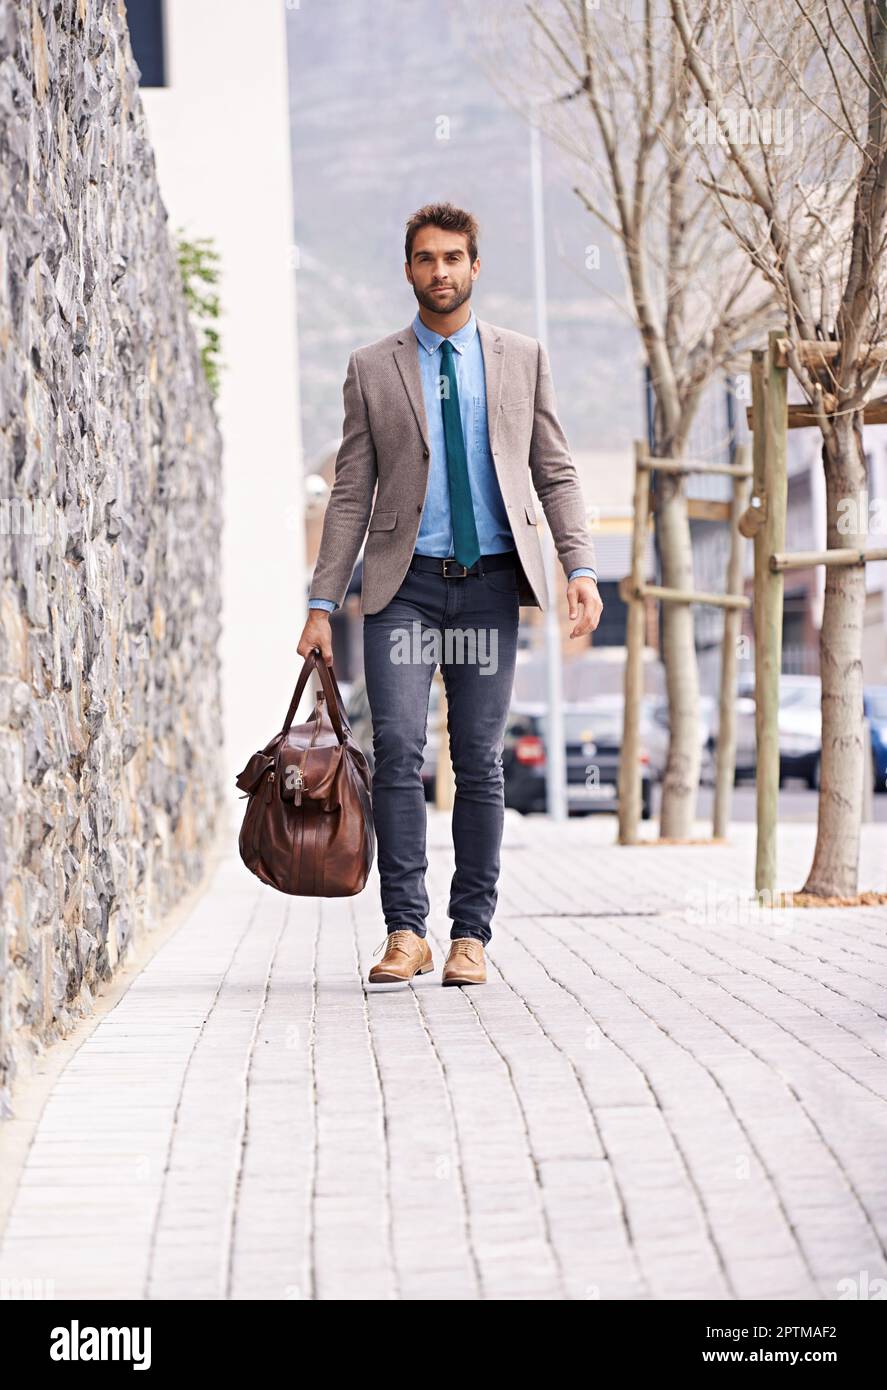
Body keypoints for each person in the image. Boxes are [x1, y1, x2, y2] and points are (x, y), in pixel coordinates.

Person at [297, 202, 602, 987]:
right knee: (398, 750)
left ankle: (471, 936)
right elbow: (349, 493)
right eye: (426, 258)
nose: (441, 271)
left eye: (454, 258)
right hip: (403, 588)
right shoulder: (373, 367)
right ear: (408, 269)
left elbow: (554, 469)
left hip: (491, 584)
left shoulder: (520, 358)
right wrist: (321, 603)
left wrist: (579, 566)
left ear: (474, 266)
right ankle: (406, 931)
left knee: (478, 759)